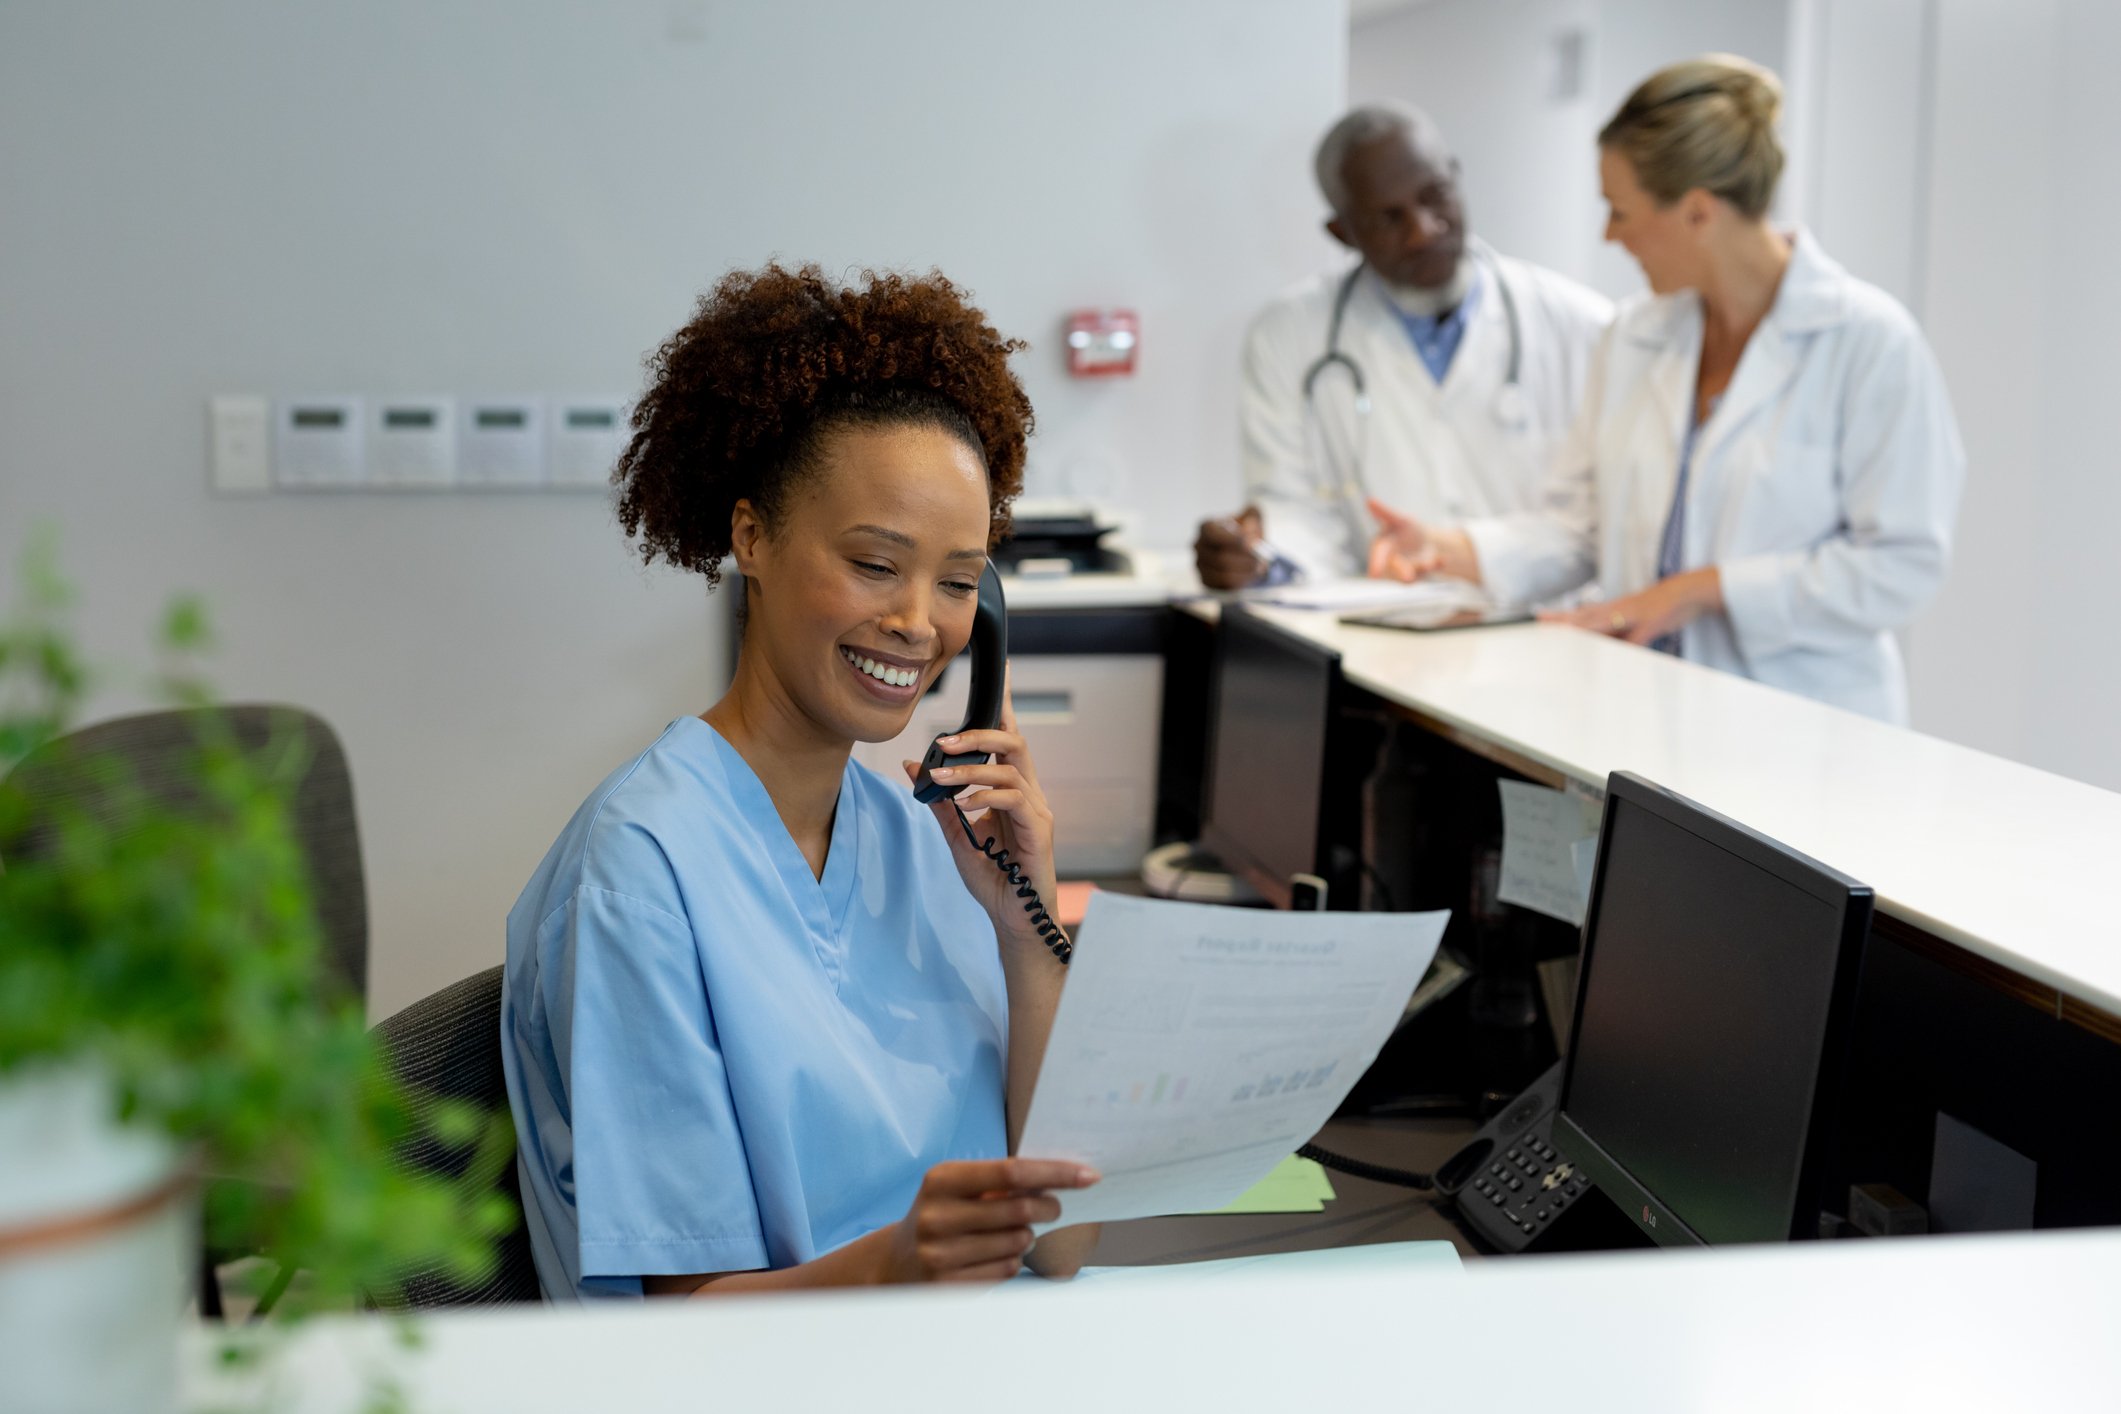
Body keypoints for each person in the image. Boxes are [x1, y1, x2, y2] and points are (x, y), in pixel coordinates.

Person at [500, 265, 1100, 1302]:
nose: (921, 621)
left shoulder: (925, 839)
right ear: (752, 538)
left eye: (960, 582)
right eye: (875, 564)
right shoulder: (641, 872)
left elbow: (1061, 1245)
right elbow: (686, 1329)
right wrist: (901, 1264)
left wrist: (1026, 924)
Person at [1369, 56, 1964, 725]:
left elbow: (1899, 567)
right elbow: (1581, 526)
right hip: (1645, 720)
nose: (1608, 235)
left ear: (1697, 213)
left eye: (1619, 211)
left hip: (1803, 729)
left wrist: (1707, 590)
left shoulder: (1867, 343)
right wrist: (1455, 547)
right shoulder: (1633, 337)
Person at [1194, 102, 1612, 589]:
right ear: (1343, 233)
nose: (1423, 230)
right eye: (1388, 219)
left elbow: (1595, 522)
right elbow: (1295, 512)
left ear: (1456, 178)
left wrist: (1462, 552)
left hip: (1547, 631)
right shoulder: (1287, 334)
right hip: (1380, 629)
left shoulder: (1583, 325)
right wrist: (1256, 556)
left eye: (1436, 197)